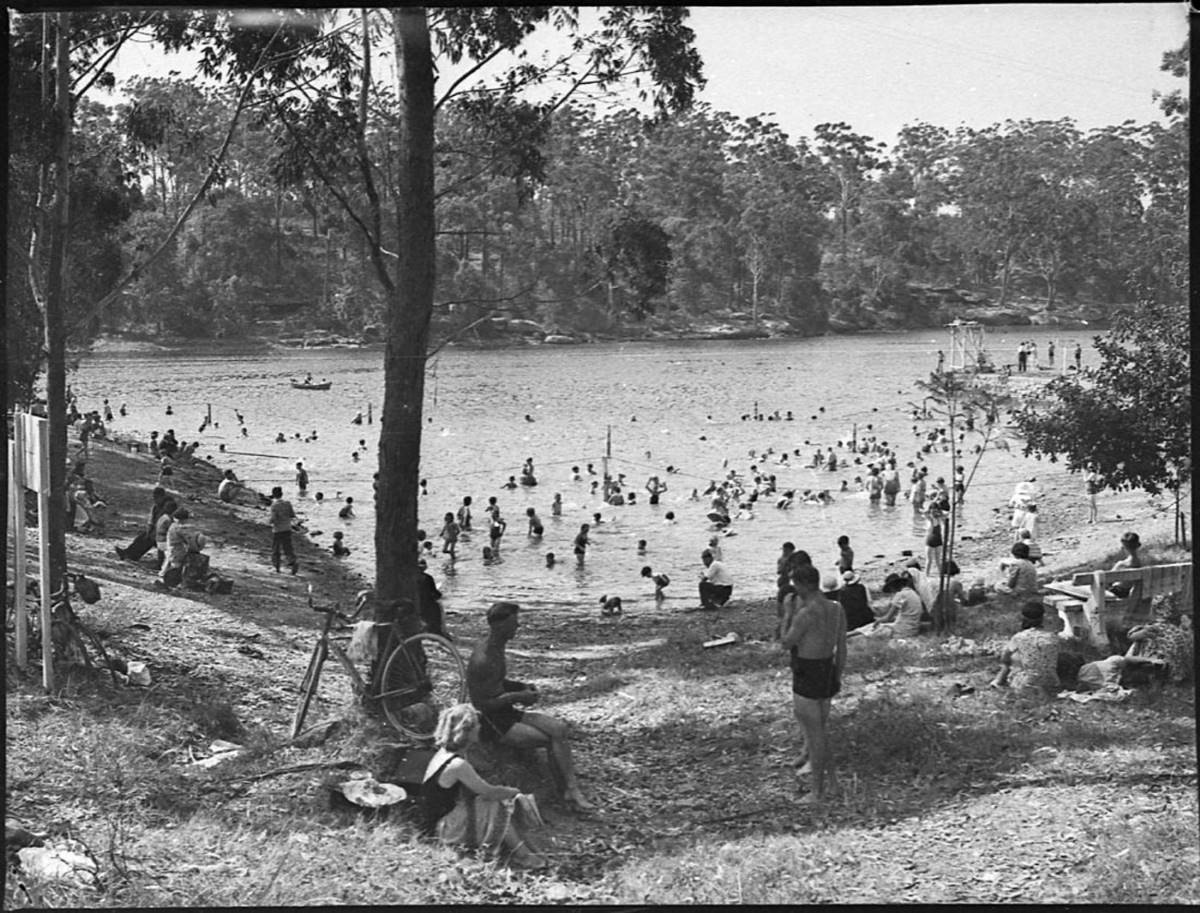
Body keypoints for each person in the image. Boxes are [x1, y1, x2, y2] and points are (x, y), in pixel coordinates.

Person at [467, 602, 594, 810]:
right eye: (514, 623)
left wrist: (520, 687)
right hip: (493, 721)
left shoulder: (497, 647)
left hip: (506, 711)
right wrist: (518, 696)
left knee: (559, 729)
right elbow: (480, 703)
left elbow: (496, 684)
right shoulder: (484, 657)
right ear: (499, 626)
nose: (518, 627)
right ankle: (565, 792)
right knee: (548, 739)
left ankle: (570, 789)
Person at [421, 703, 548, 869]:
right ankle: (522, 855)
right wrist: (513, 791)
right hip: (445, 827)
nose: (480, 727)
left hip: (440, 818)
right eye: (477, 725)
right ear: (467, 731)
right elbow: (489, 792)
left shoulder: (445, 753)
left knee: (493, 801)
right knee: (497, 804)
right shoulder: (457, 765)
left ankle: (520, 848)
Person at [780, 563, 846, 804]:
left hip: (808, 671)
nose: (794, 590)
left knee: (815, 735)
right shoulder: (836, 608)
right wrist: (837, 675)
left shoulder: (806, 613)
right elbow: (842, 647)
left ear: (804, 585)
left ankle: (817, 792)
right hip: (827, 668)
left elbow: (786, 642)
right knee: (820, 731)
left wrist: (787, 613)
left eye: (796, 584)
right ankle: (833, 783)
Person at [989, 603, 1060, 695]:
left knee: (1013, 655)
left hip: (1026, 683)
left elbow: (1005, 658)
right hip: (1052, 682)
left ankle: (998, 680)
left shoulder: (1019, 637)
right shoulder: (1052, 637)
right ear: (1043, 617)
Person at [847, 572, 923, 639]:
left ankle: (848, 636)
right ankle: (848, 634)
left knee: (871, 631)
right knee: (872, 628)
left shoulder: (900, 595)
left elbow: (888, 617)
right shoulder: (912, 592)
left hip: (901, 630)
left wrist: (877, 621)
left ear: (894, 586)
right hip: (912, 628)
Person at [117, 486, 172, 562]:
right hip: (157, 531)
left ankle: (133, 555)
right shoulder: (156, 507)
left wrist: (154, 533)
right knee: (141, 538)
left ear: (162, 496)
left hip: (167, 534)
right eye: (154, 498)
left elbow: (164, 522)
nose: (155, 500)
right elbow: (152, 521)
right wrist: (149, 530)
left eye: (157, 498)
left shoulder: (169, 506)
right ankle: (128, 553)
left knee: (149, 539)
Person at [269, 486, 299, 574]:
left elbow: (274, 518)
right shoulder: (287, 503)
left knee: (276, 549)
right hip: (287, 528)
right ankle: (293, 562)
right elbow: (292, 515)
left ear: (274, 495)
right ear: (282, 494)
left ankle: (277, 567)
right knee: (288, 548)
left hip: (278, 529)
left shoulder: (274, 505)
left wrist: (269, 522)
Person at [417, 560, 449, 638]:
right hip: (426, 603)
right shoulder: (427, 578)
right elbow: (434, 592)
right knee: (437, 609)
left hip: (417, 602)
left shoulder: (409, 578)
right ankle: (438, 631)